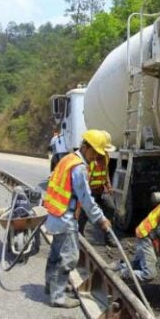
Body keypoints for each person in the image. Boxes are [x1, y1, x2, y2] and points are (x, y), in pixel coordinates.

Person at [43, 129, 114, 308]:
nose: (97, 158)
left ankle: (51, 286)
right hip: (65, 217)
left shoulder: (68, 158)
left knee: (55, 253)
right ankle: (58, 297)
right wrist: (101, 219)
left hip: (55, 213)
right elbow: (87, 200)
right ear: (86, 147)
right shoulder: (79, 168)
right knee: (69, 257)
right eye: (96, 154)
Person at [78, 130, 116, 245]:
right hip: (90, 190)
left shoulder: (105, 157)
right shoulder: (90, 159)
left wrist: (108, 185)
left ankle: (109, 236)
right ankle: (79, 235)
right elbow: (85, 179)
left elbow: (106, 171)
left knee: (110, 208)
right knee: (84, 213)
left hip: (101, 190)